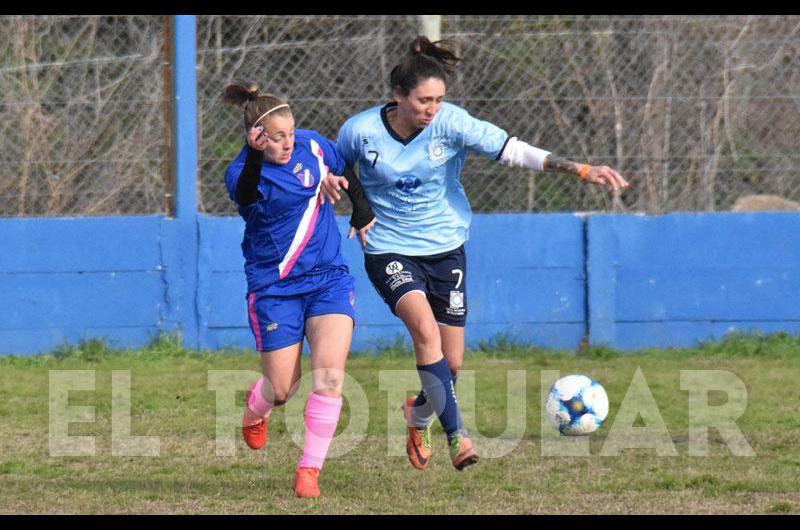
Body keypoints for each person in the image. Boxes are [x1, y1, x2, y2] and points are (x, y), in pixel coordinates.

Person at [330, 37, 629, 472]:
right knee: (425, 334)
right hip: (388, 248)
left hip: (445, 249)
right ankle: (459, 437)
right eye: (423, 100)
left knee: (450, 364)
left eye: (438, 100)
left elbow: (512, 150)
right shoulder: (360, 130)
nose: (432, 109)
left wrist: (580, 169)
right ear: (398, 95)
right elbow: (338, 167)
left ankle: (418, 417)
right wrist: (357, 205)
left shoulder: (452, 123)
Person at [222, 81, 375, 498]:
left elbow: (342, 166)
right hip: (275, 289)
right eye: (275, 138)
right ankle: (257, 410)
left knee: (329, 377)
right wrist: (256, 155)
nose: (288, 144)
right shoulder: (242, 171)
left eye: (290, 133)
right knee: (282, 388)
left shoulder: (310, 145)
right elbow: (247, 193)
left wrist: (361, 208)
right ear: (255, 137)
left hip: (328, 279)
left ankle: (309, 469)